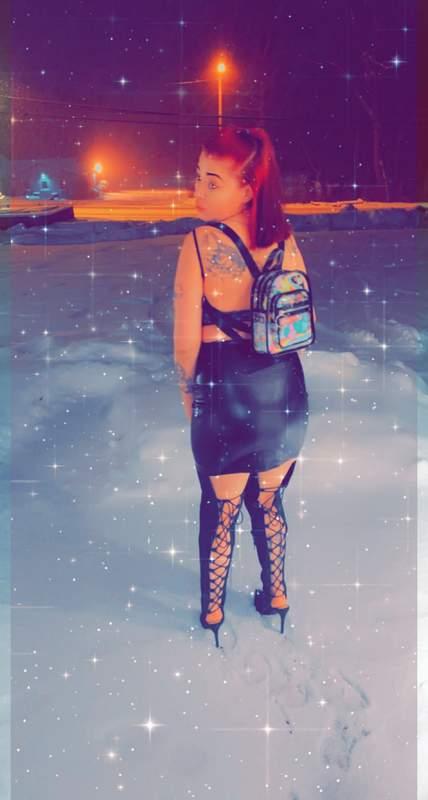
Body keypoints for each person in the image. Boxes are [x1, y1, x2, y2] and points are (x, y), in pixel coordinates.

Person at [173, 125, 316, 648]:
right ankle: (275, 595)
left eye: (213, 181)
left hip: (224, 388)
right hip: (283, 387)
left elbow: (185, 341)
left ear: (248, 187)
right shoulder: (285, 240)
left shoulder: (198, 244)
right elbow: (302, 321)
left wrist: (189, 394)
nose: (198, 190)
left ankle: (213, 609)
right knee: (270, 500)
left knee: (221, 506)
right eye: (198, 177)